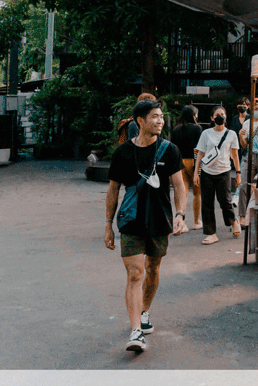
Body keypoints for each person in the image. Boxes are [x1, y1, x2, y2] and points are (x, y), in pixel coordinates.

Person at [104, 99, 187, 353]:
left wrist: (181, 214)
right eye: (154, 116)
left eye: (162, 116)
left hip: (160, 220)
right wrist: (108, 224)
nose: (160, 120)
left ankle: (145, 311)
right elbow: (113, 190)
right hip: (131, 221)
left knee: (153, 269)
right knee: (135, 274)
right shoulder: (123, 153)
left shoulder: (170, 150)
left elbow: (180, 185)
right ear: (140, 121)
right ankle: (136, 331)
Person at [194, 105, 241, 244]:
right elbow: (200, 153)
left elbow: (235, 156)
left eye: (222, 114)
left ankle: (233, 221)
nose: (220, 116)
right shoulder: (206, 133)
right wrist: (196, 173)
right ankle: (211, 233)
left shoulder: (231, 134)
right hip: (207, 172)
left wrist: (238, 174)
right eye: (217, 114)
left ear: (226, 117)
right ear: (212, 118)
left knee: (225, 200)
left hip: (224, 172)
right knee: (207, 203)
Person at [170, 105, 203, 229]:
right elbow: (200, 149)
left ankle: (181, 222)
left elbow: (173, 148)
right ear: (194, 115)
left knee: (182, 192)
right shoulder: (198, 129)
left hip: (179, 162)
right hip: (194, 162)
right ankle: (196, 221)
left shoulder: (176, 129)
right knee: (197, 193)